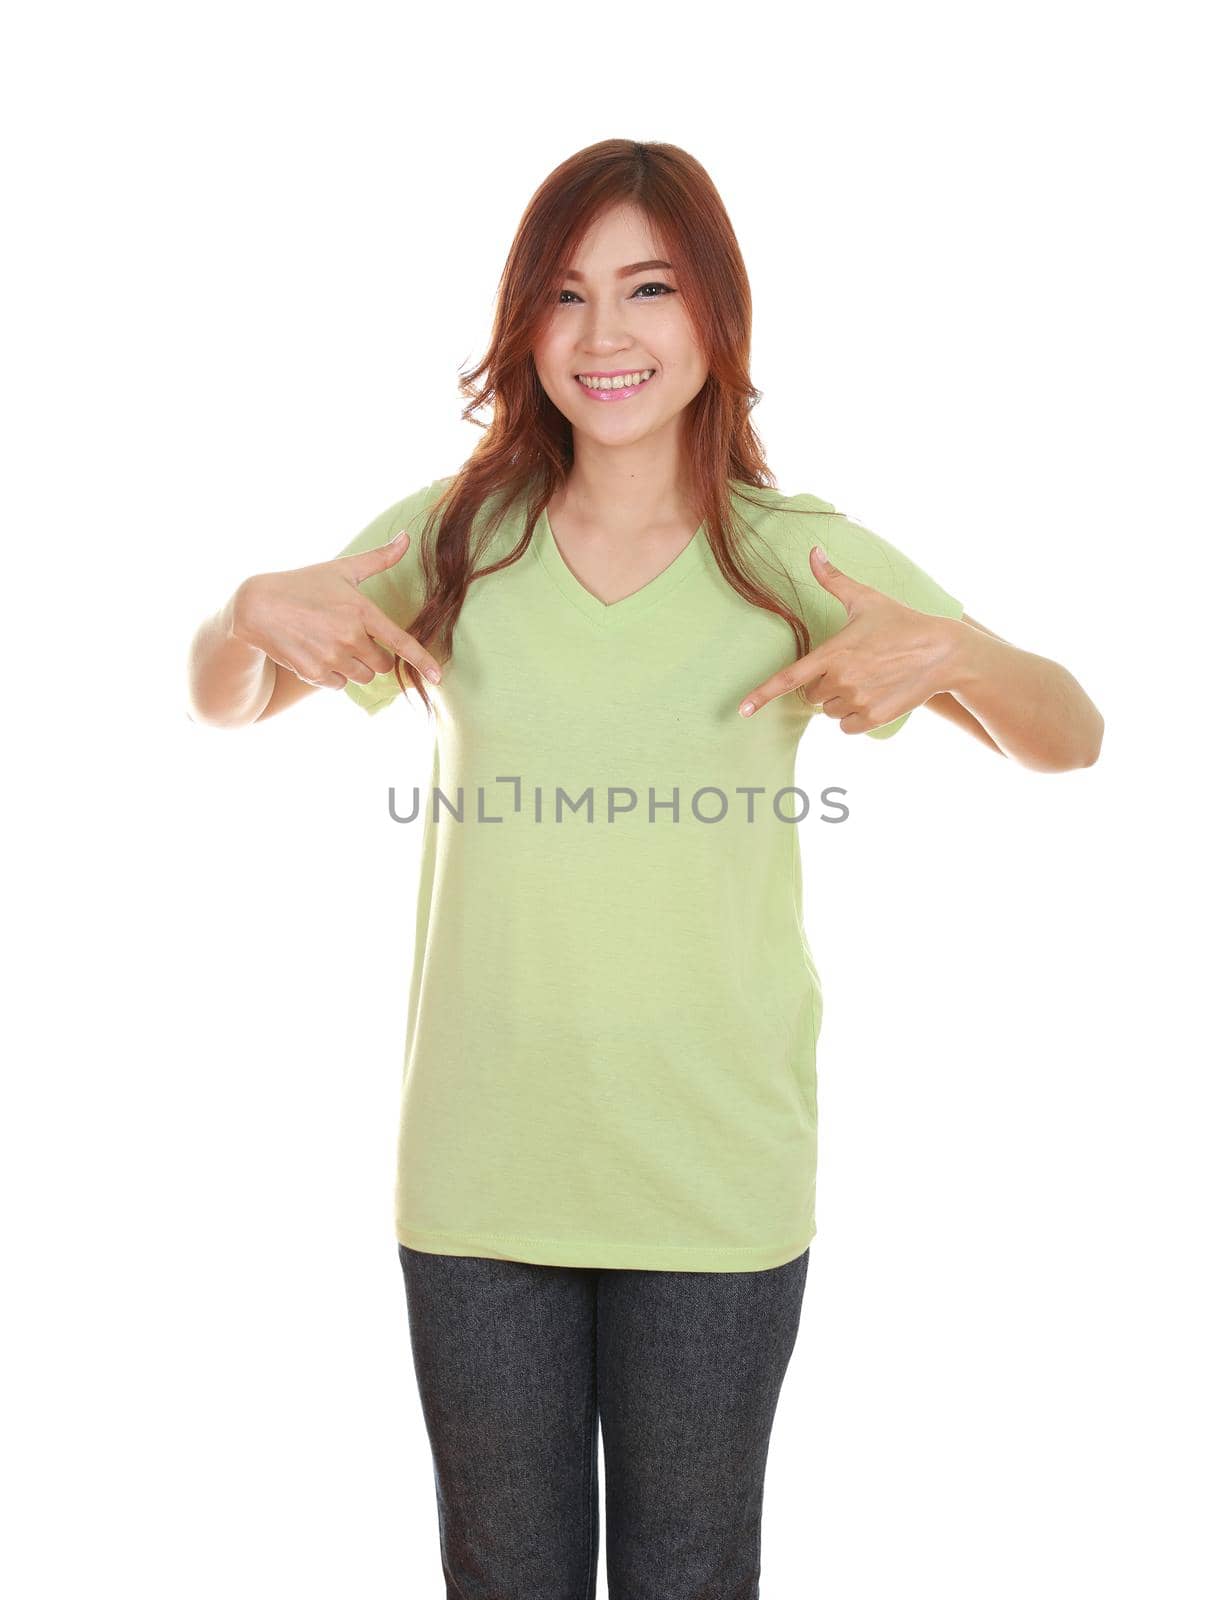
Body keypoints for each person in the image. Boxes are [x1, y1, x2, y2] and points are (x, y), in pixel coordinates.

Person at [187, 139, 1103, 1600]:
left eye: (646, 289)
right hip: (483, 1169)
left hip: (712, 1171)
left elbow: (1068, 736)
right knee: (505, 1578)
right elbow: (226, 699)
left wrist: (965, 657)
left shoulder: (791, 555)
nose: (603, 336)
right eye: (563, 296)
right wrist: (240, 617)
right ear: (523, 329)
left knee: (690, 1576)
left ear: (714, 315)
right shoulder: (457, 537)